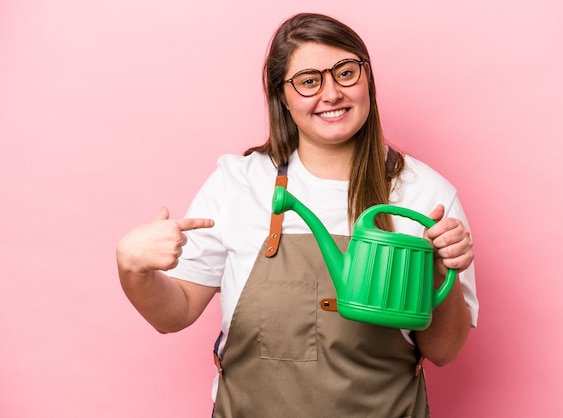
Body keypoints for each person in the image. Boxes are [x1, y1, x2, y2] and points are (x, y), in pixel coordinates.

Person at [117, 12, 477, 417]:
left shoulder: (425, 195)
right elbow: (174, 313)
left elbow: (445, 352)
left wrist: (443, 272)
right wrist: (134, 270)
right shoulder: (237, 184)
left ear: (367, 80)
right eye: (309, 81)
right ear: (282, 97)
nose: (331, 94)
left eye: (345, 72)